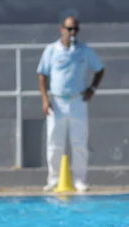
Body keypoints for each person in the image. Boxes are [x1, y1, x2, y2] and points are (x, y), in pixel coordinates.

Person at [37, 14, 105, 193]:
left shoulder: (84, 50)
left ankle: (80, 180)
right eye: (69, 29)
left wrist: (92, 89)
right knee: (54, 142)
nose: (72, 32)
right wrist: (45, 99)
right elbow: (42, 75)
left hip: (78, 101)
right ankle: (53, 179)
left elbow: (99, 68)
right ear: (61, 29)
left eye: (75, 29)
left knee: (79, 142)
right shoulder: (51, 50)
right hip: (57, 102)